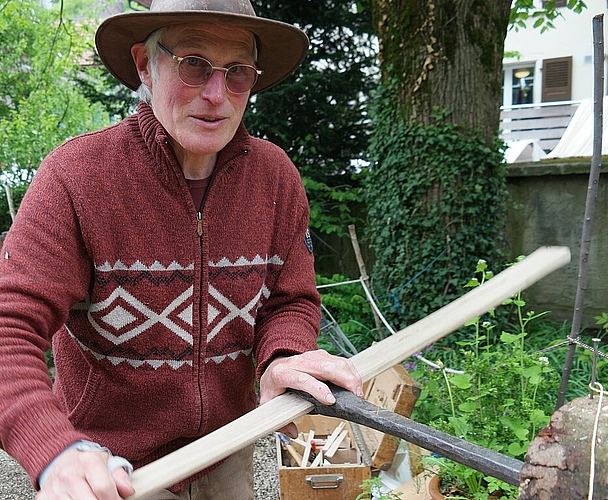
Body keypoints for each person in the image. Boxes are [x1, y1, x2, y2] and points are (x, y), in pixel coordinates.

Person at [0, 0, 363, 498]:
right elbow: (8, 329)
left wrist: (283, 356)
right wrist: (54, 449)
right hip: (110, 469)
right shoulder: (76, 178)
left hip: (226, 450)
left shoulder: (275, 177)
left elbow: (289, 299)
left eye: (237, 72)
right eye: (193, 64)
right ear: (145, 66)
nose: (216, 94)